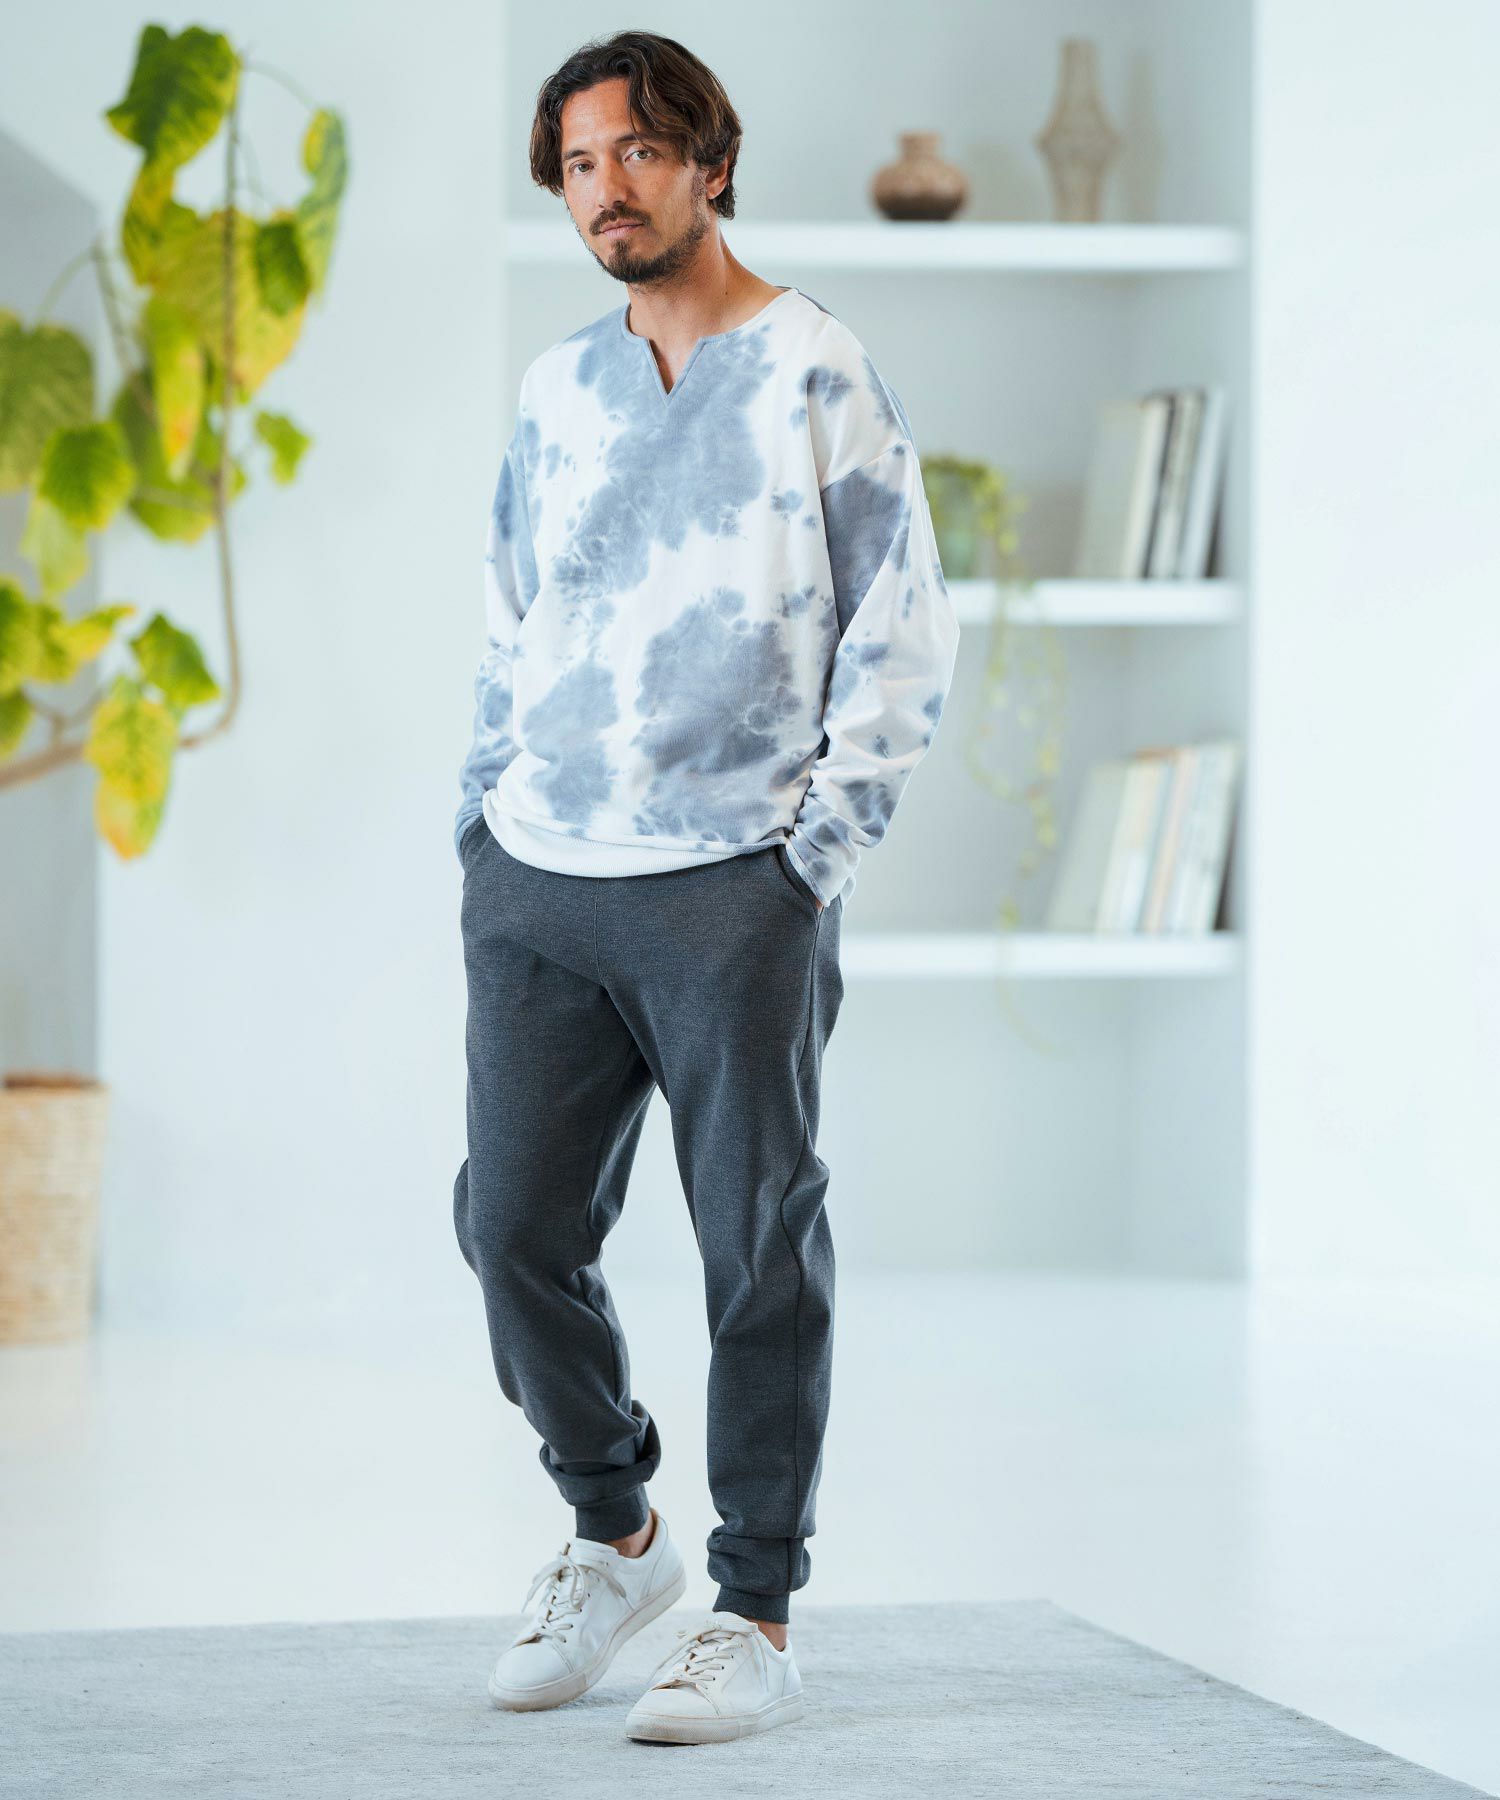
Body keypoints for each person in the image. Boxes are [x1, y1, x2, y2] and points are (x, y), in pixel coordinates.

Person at [451, 28, 959, 1745]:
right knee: (511, 1227)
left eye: (641, 154)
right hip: (541, 874)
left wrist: (810, 858)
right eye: (581, 165)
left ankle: (754, 1611)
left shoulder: (819, 369)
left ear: (711, 165)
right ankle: (616, 1536)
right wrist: (483, 820)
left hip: (732, 884)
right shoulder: (556, 388)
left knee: (757, 1251)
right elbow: (510, 612)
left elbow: (903, 626)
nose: (610, 189)